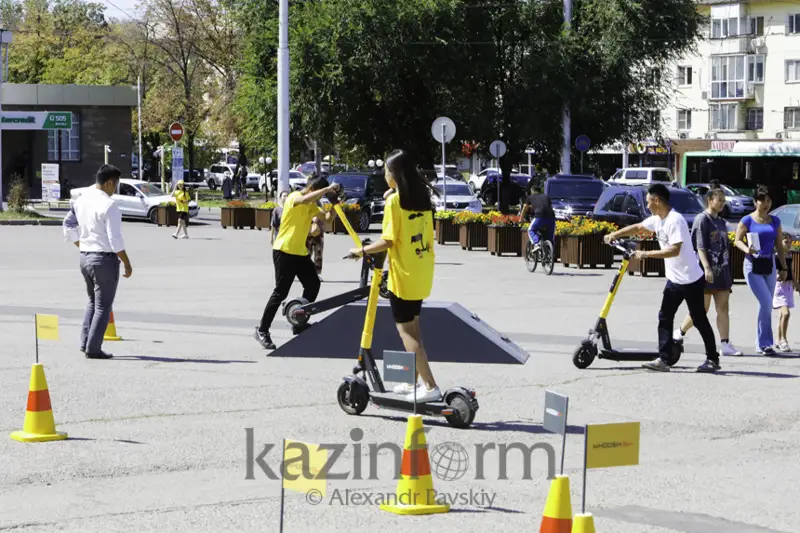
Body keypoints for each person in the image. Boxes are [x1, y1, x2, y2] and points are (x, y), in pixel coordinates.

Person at [347, 149, 441, 402]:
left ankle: (431, 387)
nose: (384, 174)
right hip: (422, 270)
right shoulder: (422, 199)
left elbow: (388, 240)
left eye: (387, 171)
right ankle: (420, 382)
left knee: (406, 331)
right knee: (415, 329)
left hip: (404, 274)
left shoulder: (394, 202)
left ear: (395, 174)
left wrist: (360, 250)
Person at [603, 183, 720, 373]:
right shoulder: (658, 219)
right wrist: (615, 234)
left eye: (649, 202)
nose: (648, 206)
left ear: (657, 200)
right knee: (664, 317)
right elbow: (639, 227)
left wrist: (646, 254)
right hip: (674, 281)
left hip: (690, 280)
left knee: (699, 319)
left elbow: (675, 250)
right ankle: (664, 359)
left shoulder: (675, 220)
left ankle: (712, 359)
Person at [254, 178, 340, 349]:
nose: (318, 198)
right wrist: (326, 190)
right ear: (313, 188)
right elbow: (304, 199)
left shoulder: (312, 206)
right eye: (319, 192)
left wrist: (335, 203)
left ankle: (298, 321)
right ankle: (262, 330)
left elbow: (328, 219)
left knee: (313, 284)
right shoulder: (294, 197)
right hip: (284, 250)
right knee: (281, 292)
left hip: (300, 252)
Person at [62, 165, 133, 359]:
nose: (115, 189)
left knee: (92, 302)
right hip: (104, 260)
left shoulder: (81, 199)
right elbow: (115, 240)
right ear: (110, 182)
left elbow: (67, 225)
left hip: (85, 257)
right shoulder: (109, 205)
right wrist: (126, 262)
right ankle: (93, 348)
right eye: (115, 185)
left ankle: (85, 342)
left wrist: (82, 245)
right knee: (103, 305)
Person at [674, 188, 742, 356]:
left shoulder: (721, 222)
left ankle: (725, 344)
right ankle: (680, 332)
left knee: (723, 308)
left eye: (723, 200)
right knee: (701, 310)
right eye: (719, 200)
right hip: (704, 272)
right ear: (710, 200)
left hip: (722, 272)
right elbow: (700, 246)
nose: (722, 203)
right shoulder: (701, 219)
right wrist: (706, 268)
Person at [734, 185, 789, 355]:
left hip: (769, 265)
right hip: (752, 265)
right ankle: (766, 344)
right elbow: (737, 240)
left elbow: (779, 245)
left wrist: (784, 267)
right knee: (766, 303)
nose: (766, 204)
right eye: (762, 200)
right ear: (755, 202)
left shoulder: (775, 221)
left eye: (769, 200)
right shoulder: (747, 220)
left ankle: (760, 343)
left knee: (764, 305)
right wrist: (746, 250)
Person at [774, 232, 798, 352]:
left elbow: (792, 271)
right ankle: (784, 340)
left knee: (782, 316)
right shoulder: (776, 255)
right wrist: (778, 275)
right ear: (780, 242)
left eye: (790, 242)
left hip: (788, 287)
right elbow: (775, 272)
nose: (789, 244)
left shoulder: (789, 255)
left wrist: (796, 284)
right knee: (786, 313)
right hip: (779, 287)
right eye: (786, 242)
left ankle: (778, 340)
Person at [520, 183, 555, 251]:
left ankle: (537, 243)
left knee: (531, 230)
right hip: (551, 218)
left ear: (532, 191)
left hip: (540, 216)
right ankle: (550, 251)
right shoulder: (546, 196)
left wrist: (521, 219)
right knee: (550, 238)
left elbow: (525, 207)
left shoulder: (530, 197)